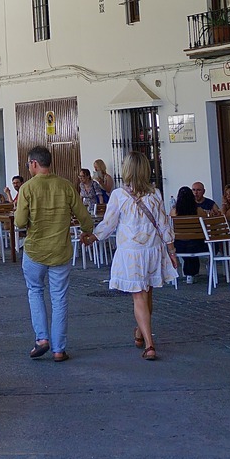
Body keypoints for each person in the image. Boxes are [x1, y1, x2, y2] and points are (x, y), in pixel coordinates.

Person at [83, 152, 178, 360]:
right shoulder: (155, 194)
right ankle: (140, 331)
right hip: (152, 251)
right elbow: (164, 224)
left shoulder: (119, 195)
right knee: (147, 293)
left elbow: (109, 224)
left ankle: (150, 345)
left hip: (132, 252)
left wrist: (93, 237)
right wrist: (172, 251)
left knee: (139, 296)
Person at [14, 146, 94, 362]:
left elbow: (20, 222)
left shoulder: (27, 189)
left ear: (33, 164)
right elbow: (85, 218)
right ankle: (59, 349)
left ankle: (42, 339)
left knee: (35, 291)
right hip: (61, 251)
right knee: (59, 298)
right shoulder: (66, 186)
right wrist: (87, 233)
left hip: (35, 251)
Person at [171, 185, 206, 281]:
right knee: (193, 242)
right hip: (197, 245)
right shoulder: (198, 210)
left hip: (179, 246)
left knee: (186, 245)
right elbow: (207, 224)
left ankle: (189, 273)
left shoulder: (174, 212)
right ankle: (191, 273)